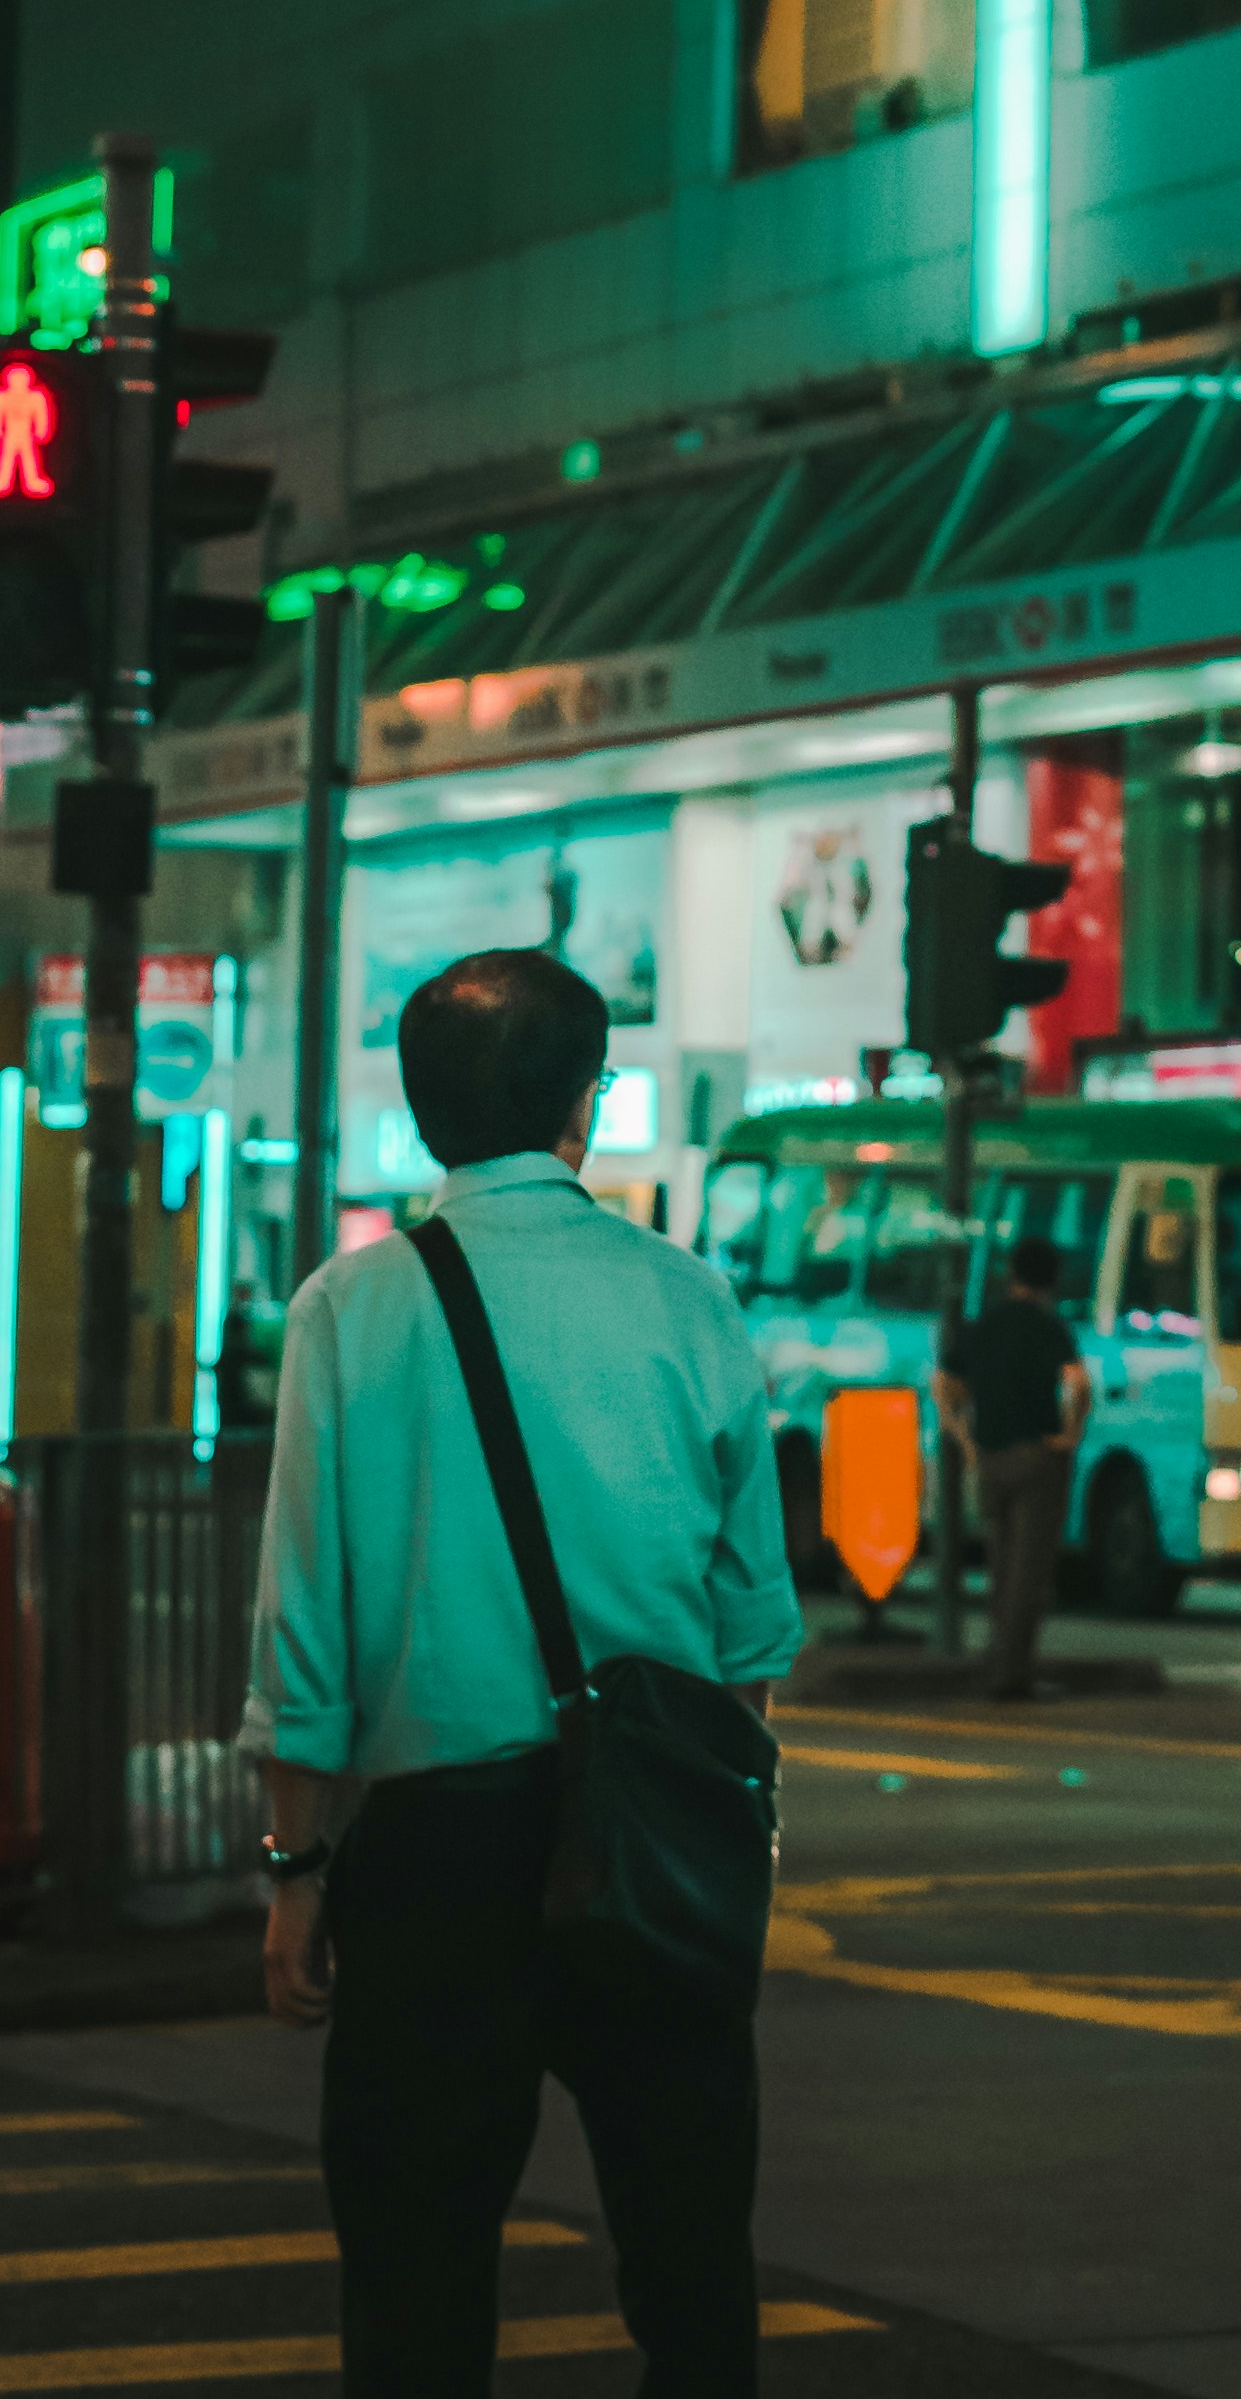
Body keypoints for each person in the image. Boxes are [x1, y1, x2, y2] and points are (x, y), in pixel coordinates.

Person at [253, 950, 799, 2399]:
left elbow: (303, 1620)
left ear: (423, 1107)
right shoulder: (688, 1298)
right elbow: (749, 1624)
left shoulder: (349, 1308)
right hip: (654, 1824)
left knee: (416, 2260)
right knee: (690, 2245)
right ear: (585, 1101)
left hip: (433, 1843)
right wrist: (726, 1823)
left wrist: (296, 1866)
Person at [937, 1232, 1092, 1701]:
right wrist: (1071, 1433)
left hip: (990, 1458)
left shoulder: (984, 1324)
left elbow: (944, 1382)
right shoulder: (1048, 1326)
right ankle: (1012, 1674)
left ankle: (997, 1663)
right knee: (1029, 1571)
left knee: (1001, 1565)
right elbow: (1078, 1383)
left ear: (1011, 1274)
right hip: (1036, 1458)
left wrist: (963, 1438)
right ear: (1052, 1280)